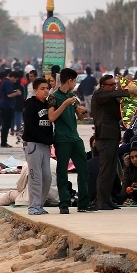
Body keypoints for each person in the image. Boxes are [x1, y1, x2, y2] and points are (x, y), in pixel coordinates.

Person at [51, 68, 94, 214]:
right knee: (62, 171)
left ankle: (84, 202)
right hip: (62, 139)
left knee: (83, 169)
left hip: (75, 137)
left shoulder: (72, 96)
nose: (75, 84)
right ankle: (64, 203)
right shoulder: (54, 97)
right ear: (69, 80)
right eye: (74, 81)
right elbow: (52, 117)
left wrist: (82, 111)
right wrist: (64, 104)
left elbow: (80, 117)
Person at [92, 73, 137, 210]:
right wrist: (127, 92)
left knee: (112, 171)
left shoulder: (111, 98)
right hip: (104, 137)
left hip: (112, 136)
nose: (114, 87)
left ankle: (108, 200)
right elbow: (110, 95)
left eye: (115, 84)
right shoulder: (99, 95)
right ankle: (101, 201)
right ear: (103, 86)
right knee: (105, 171)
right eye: (111, 84)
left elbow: (117, 115)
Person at [22, 77, 55, 215]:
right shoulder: (31, 105)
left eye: (47, 88)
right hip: (33, 144)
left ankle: (40, 204)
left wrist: (50, 140)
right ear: (35, 90)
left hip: (45, 145)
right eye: (42, 88)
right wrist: (44, 139)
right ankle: (33, 207)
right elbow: (30, 126)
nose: (45, 91)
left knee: (47, 177)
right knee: (35, 176)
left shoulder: (48, 105)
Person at [0, 69, 19, 148]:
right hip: (7, 106)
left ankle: (4, 141)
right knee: (6, 125)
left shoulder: (3, 81)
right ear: (13, 77)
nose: (15, 81)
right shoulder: (8, 82)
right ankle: (3, 142)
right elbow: (9, 95)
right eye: (15, 79)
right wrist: (17, 93)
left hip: (4, 105)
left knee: (5, 125)